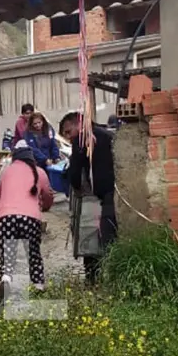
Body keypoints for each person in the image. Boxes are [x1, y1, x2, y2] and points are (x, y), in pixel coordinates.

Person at [60, 111, 118, 285]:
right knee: (112, 236)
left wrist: (75, 187)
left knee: (93, 239)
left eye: (68, 132)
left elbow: (75, 176)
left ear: (78, 124)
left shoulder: (81, 140)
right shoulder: (107, 133)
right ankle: (111, 279)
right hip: (117, 194)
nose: (69, 138)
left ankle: (94, 280)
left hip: (97, 197)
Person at [0, 141, 54, 302]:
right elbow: (48, 195)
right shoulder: (39, 172)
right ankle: (38, 285)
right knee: (33, 252)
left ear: (14, 156)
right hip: (30, 218)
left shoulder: (6, 172)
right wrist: (45, 207)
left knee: (8, 252)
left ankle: (6, 278)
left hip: (6, 216)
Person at [22, 110, 67, 195]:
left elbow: (53, 143)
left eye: (39, 122)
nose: (38, 125)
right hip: (36, 161)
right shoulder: (28, 133)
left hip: (49, 160)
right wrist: (44, 159)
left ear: (43, 121)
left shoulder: (48, 129)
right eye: (35, 124)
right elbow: (33, 149)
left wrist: (56, 157)